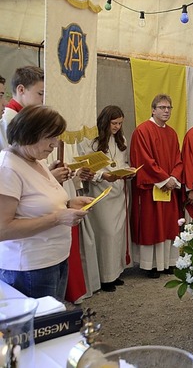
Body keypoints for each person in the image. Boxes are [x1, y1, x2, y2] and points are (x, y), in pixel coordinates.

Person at [0, 105, 91, 300]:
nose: (56, 144)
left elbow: (38, 205)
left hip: (53, 258)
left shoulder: (34, 160)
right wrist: (58, 218)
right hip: (29, 266)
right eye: (50, 137)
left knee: (52, 322)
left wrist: (69, 205)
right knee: (39, 327)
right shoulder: (8, 168)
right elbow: (3, 229)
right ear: (30, 133)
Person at [77, 105, 133, 292]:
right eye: (114, 123)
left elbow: (122, 162)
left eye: (120, 124)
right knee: (106, 234)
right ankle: (104, 277)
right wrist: (103, 175)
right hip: (101, 193)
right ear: (105, 121)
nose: (117, 127)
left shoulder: (121, 140)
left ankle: (115, 273)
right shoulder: (90, 141)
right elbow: (87, 169)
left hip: (118, 192)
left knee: (117, 234)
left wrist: (128, 171)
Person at [129, 94, 183, 278]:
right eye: (162, 107)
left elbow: (178, 159)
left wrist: (173, 178)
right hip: (151, 188)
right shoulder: (142, 130)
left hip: (168, 187)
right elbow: (143, 159)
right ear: (153, 109)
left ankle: (168, 262)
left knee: (168, 224)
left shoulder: (172, 133)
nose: (166, 111)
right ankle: (150, 265)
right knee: (152, 224)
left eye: (169, 108)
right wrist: (163, 179)